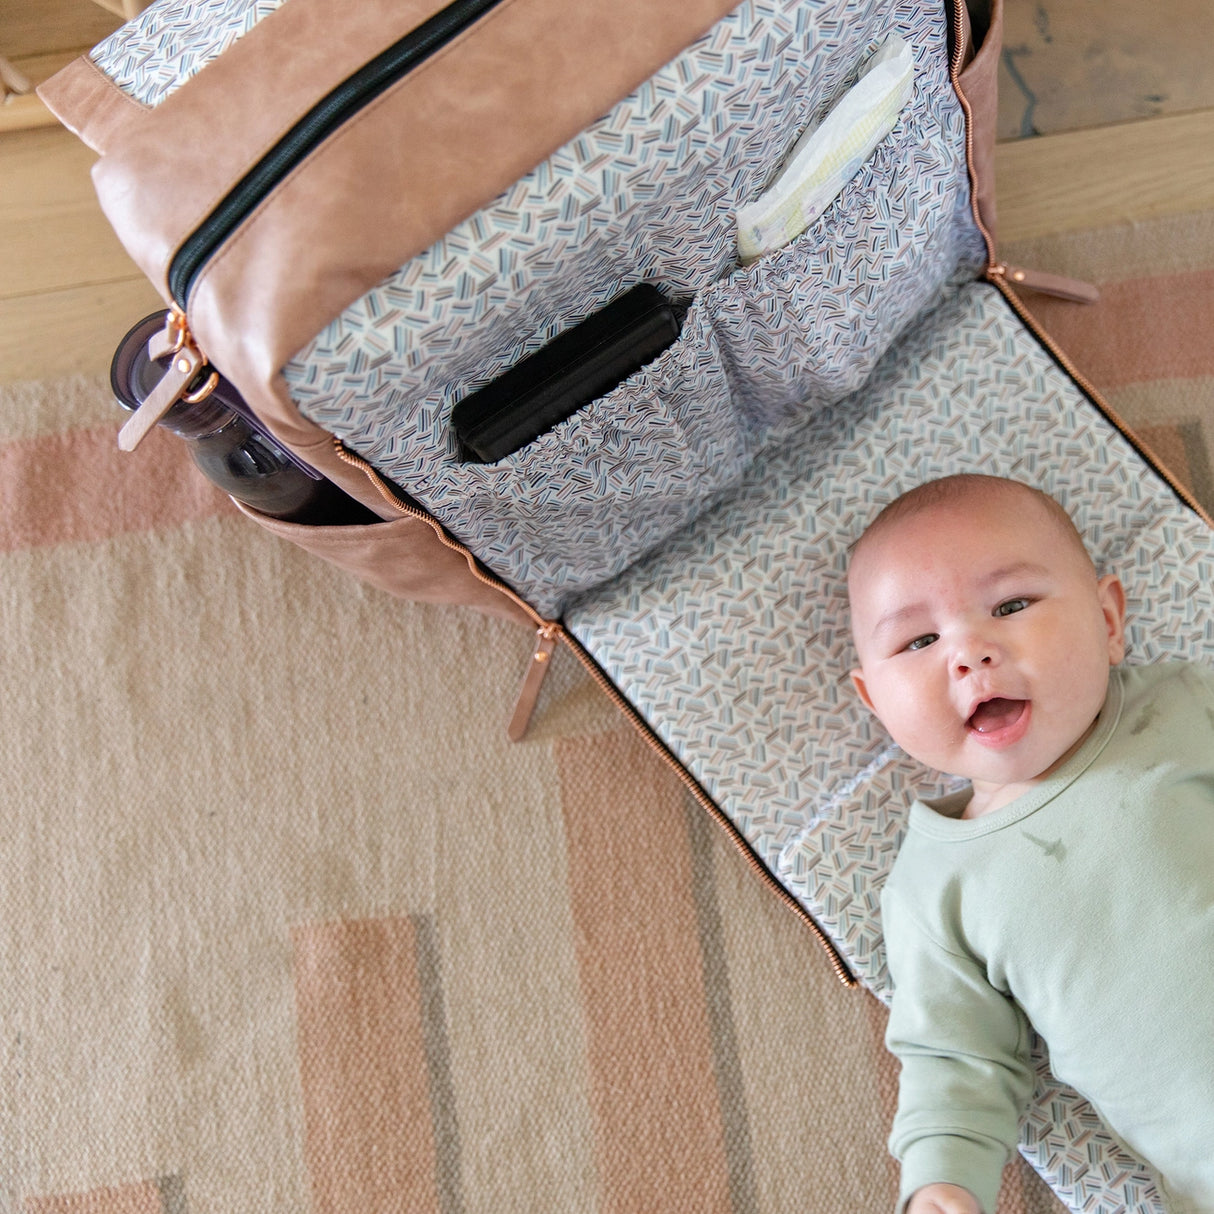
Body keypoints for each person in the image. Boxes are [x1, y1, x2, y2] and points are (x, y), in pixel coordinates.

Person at [845, 473, 1214, 1214]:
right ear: (876, 702)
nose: (969, 652)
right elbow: (954, 1059)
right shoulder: (934, 888)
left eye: (1011, 606)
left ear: (1108, 621)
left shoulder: (1184, 705)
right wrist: (944, 1182)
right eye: (920, 640)